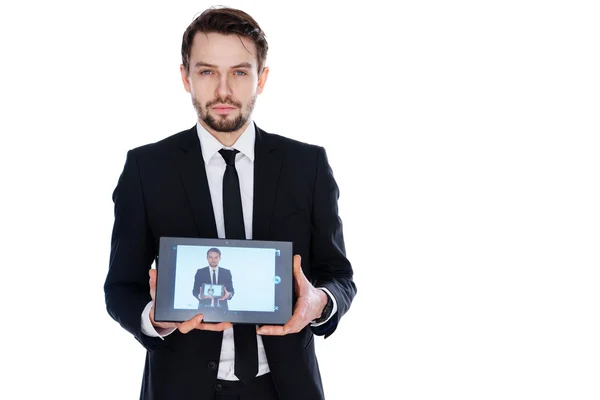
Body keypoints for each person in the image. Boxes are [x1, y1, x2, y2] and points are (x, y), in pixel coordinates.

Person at [104, 6, 356, 400]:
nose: (224, 90)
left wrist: (320, 302)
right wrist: (153, 318)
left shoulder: (307, 165)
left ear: (262, 78)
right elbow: (120, 287)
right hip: (179, 388)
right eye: (207, 72)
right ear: (186, 77)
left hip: (287, 387)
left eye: (240, 72)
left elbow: (339, 275)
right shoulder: (146, 169)